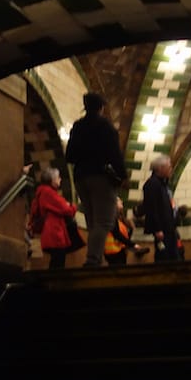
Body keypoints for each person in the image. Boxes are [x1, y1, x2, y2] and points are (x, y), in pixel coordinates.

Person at [64, 92, 127, 267]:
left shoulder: (78, 126)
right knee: (104, 221)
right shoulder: (105, 126)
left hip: (80, 178)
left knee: (92, 221)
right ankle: (92, 260)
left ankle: (96, 258)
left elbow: (69, 156)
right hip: (100, 176)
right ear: (101, 107)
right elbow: (115, 155)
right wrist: (122, 175)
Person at [30, 167, 80, 269]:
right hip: (55, 232)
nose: (60, 179)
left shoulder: (42, 192)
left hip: (51, 231)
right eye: (58, 177)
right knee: (58, 260)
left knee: (57, 259)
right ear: (52, 179)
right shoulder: (49, 193)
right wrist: (73, 206)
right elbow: (67, 210)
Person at [141, 155, 181, 262]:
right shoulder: (152, 185)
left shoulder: (163, 184)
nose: (171, 169)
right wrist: (157, 229)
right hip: (162, 230)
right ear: (160, 168)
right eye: (169, 167)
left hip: (169, 228)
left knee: (174, 257)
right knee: (164, 257)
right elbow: (152, 209)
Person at [104, 197, 149, 266]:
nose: (121, 201)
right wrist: (133, 245)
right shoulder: (110, 216)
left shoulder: (118, 218)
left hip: (118, 251)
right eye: (119, 200)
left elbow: (123, 235)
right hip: (114, 252)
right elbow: (117, 234)